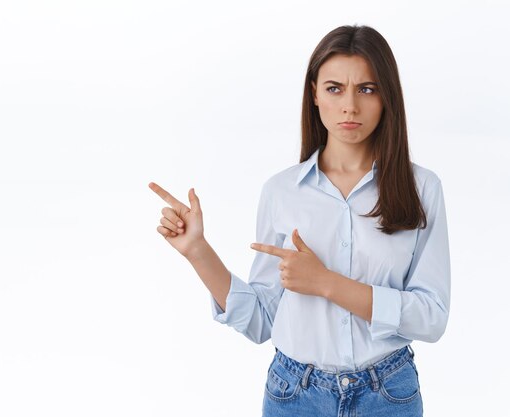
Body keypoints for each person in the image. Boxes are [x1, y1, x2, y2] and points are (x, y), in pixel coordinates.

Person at [149, 24, 450, 417]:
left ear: (387, 96)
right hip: (296, 396)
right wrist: (197, 252)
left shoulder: (421, 188)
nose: (349, 107)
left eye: (367, 89)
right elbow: (261, 321)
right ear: (314, 94)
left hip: (387, 393)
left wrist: (327, 284)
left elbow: (431, 318)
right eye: (334, 88)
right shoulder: (281, 192)